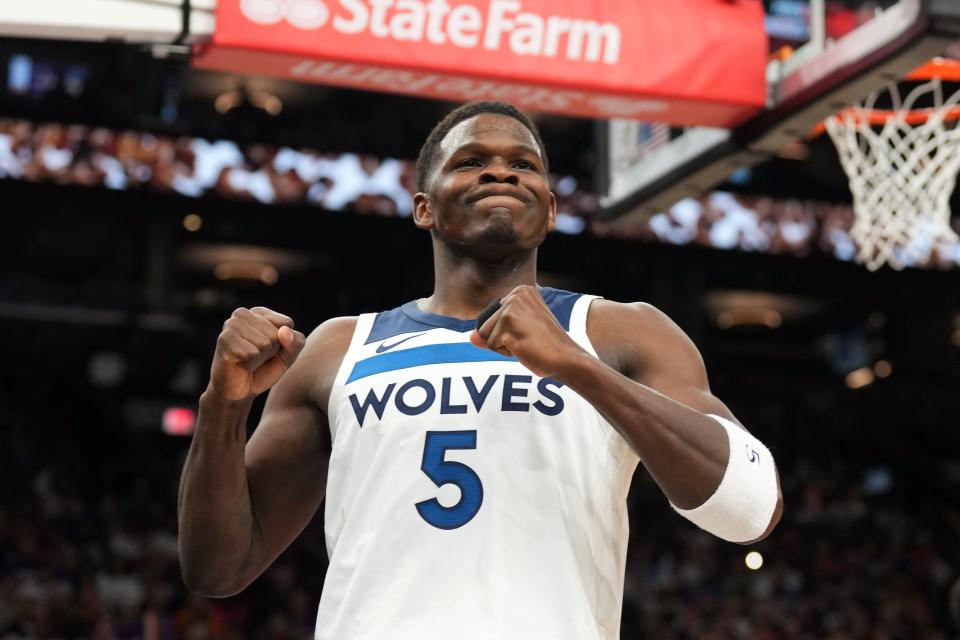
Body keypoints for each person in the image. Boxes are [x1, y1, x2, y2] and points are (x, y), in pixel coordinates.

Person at [177, 101, 783, 639]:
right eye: (470, 162)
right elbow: (217, 567)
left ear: (548, 210)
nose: (501, 170)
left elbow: (752, 510)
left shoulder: (620, 332)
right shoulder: (340, 347)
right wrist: (223, 405)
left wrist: (575, 365)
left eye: (524, 164)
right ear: (423, 208)